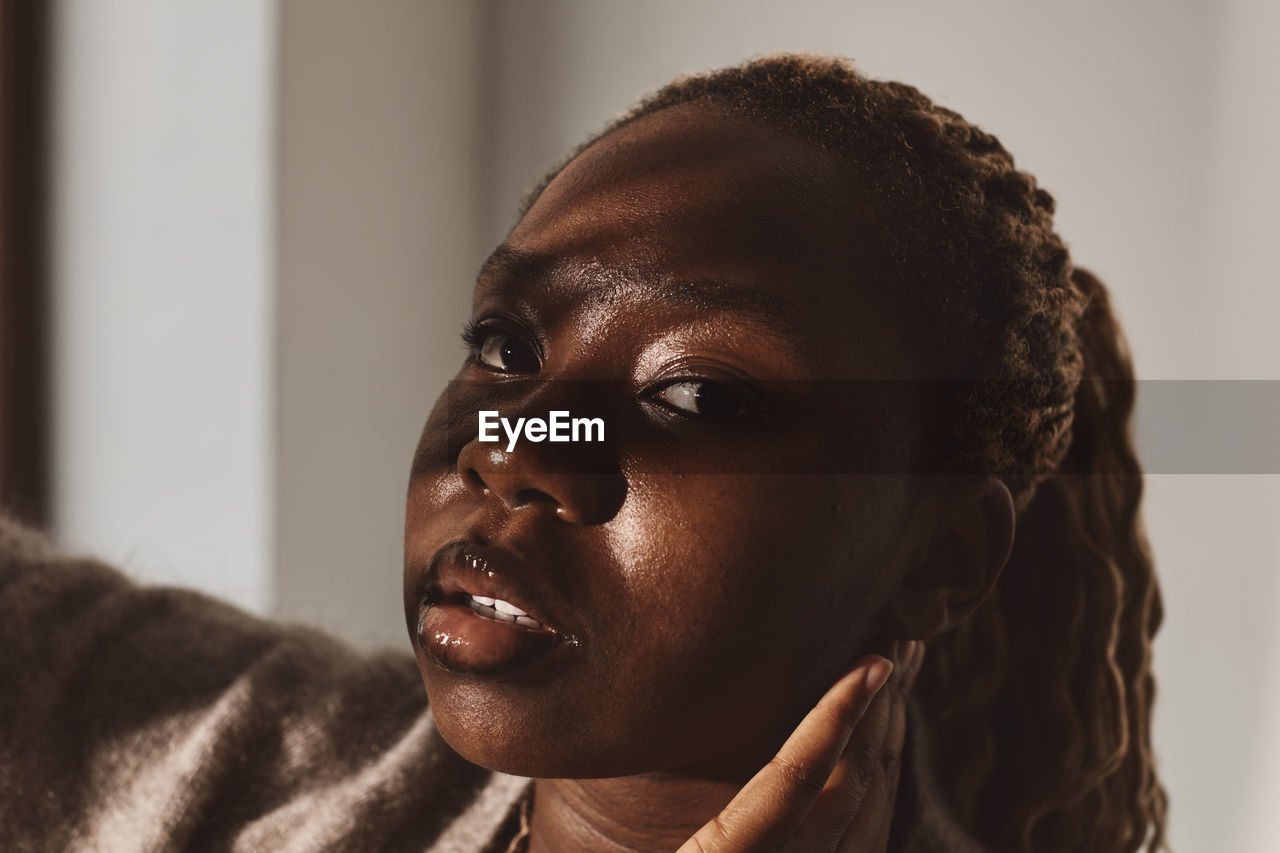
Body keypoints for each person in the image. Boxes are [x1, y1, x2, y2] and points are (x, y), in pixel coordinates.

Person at [0, 53, 1167, 852]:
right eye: (506, 348)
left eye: (697, 394)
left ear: (940, 554)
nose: (514, 448)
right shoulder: (240, 755)